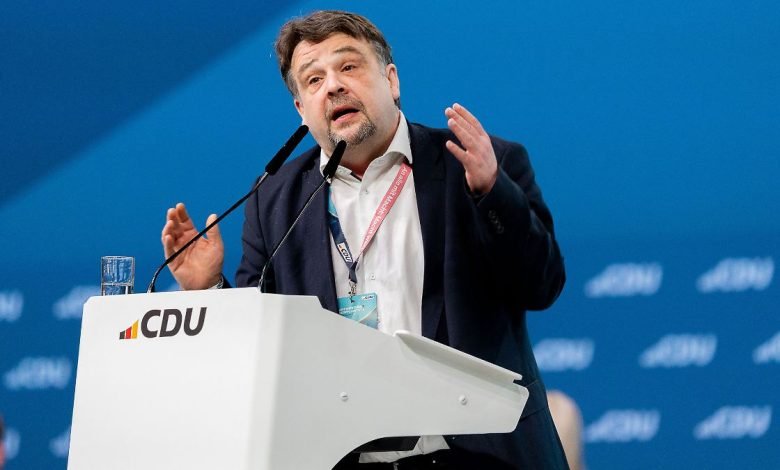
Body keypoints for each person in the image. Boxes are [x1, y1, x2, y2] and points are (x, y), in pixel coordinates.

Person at [161, 10, 567, 469]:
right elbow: (261, 346)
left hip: (479, 458)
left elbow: (542, 286)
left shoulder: (475, 164)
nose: (333, 86)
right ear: (301, 110)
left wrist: (492, 192)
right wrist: (209, 289)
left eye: (349, 66)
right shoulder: (274, 198)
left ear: (391, 80)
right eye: (313, 80)